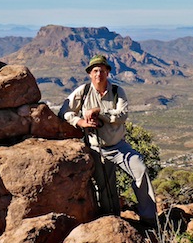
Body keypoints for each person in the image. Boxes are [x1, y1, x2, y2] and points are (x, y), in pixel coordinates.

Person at [59, 54, 157, 227]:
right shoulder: (83, 91)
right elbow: (64, 111)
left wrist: (99, 112)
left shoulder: (117, 91)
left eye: (102, 70)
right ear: (90, 74)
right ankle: (113, 223)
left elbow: (122, 115)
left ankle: (150, 220)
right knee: (106, 188)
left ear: (108, 73)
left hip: (120, 146)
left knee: (140, 170)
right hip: (97, 149)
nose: (99, 74)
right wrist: (80, 122)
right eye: (95, 70)